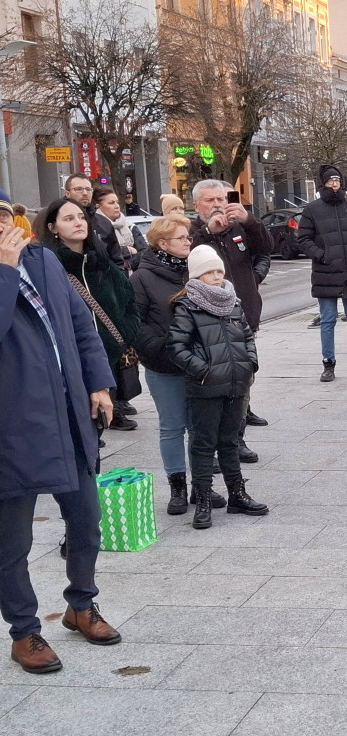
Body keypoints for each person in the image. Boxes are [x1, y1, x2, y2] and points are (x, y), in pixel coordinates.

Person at [0, 174, 120, 677]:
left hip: (67, 415)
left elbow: (81, 324)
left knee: (86, 520)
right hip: (10, 422)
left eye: (2, 216)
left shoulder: (42, 260)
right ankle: (24, 631)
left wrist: (98, 384)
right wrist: (2, 270)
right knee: (12, 540)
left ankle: (82, 604)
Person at [167, 245, 268, 529]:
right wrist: (204, 372)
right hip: (206, 387)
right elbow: (176, 347)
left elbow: (247, 337)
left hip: (236, 383)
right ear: (196, 275)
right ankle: (202, 500)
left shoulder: (232, 301)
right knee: (203, 444)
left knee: (230, 442)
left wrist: (250, 364)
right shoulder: (187, 305)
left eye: (218, 271)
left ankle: (237, 494)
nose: (215, 276)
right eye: (208, 272)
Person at [130, 216, 226, 514]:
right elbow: (134, 321)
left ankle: (201, 486)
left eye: (188, 237)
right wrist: (159, 348)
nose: (188, 241)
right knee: (173, 427)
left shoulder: (194, 271)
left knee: (200, 428)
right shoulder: (142, 277)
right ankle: (177, 487)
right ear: (162, 244)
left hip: (199, 365)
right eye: (182, 238)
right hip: (164, 366)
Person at [37, 198, 140, 431]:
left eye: (82, 217)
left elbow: (131, 305)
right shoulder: (47, 269)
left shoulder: (104, 266)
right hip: (68, 367)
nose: (78, 223)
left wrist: (121, 337)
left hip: (109, 361)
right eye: (68, 218)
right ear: (52, 228)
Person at [190, 180, 271, 461]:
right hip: (206, 324)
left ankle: (237, 439)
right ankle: (210, 445)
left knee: (243, 381)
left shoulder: (239, 228)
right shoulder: (193, 232)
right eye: (210, 200)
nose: (217, 205)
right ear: (197, 205)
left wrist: (249, 221)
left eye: (221, 199)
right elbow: (188, 262)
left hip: (243, 316)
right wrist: (207, 232)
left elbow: (265, 249)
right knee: (214, 387)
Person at [297, 165, 347, 382]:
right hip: (325, 273)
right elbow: (303, 239)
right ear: (323, 183)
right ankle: (329, 364)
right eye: (330, 180)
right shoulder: (312, 209)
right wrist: (322, 255)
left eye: (337, 180)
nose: (334, 184)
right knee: (328, 320)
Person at [65, 173, 123, 267]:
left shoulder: (104, 223)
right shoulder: (56, 219)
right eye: (78, 189)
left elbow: (117, 260)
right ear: (67, 193)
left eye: (88, 189)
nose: (84, 193)